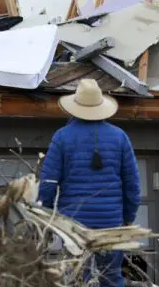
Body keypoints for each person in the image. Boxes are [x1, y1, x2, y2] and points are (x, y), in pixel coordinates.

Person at [38, 79, 140, 287]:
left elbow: (48, 183)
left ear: (75, 106)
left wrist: (45, 216)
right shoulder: (119, 137)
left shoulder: (62, 137)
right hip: (111, 222)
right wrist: (127, 218)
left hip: (74, 224)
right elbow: (132, 186)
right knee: (111, 278)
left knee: (76, 278)